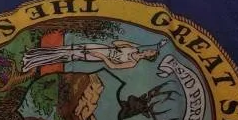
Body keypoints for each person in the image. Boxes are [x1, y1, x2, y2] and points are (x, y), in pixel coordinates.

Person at [21, 39, 160, 74]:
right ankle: (32, 54)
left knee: (65, 56)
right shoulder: (133, 48)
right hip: (101, 47)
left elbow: (112, 66)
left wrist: (101, 56)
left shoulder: (132, 63)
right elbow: (115, 43)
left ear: (149, 57)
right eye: (150, 50)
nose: (149, 51)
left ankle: (30, 63)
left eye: (151, 53)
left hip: (98, 56)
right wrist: (129, 43)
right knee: (64, 49)